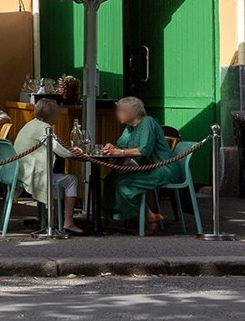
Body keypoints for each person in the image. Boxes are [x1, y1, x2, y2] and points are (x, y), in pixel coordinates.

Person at [97, 95, 178, 233]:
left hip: (162, 169)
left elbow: (144, 150)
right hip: (145, 169)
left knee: (124, 185)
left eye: (120, 110)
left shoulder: (148, 122)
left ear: (130, 111)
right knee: (111, 179)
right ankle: (127, 217)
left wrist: (119, 152)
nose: (117, 113)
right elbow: (121, 146)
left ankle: (149, 218)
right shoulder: (130, 127)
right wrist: (112, 148)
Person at [15, 98, 86, 236]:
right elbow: (59, 150)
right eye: (57, 113)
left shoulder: (30, 124)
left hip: (17, 171)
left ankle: (53, 219)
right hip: (30, 174)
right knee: (71, 180)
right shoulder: (44, 128)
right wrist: (74, 151)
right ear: (51, 115)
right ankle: (68, 222)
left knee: (55, 179)